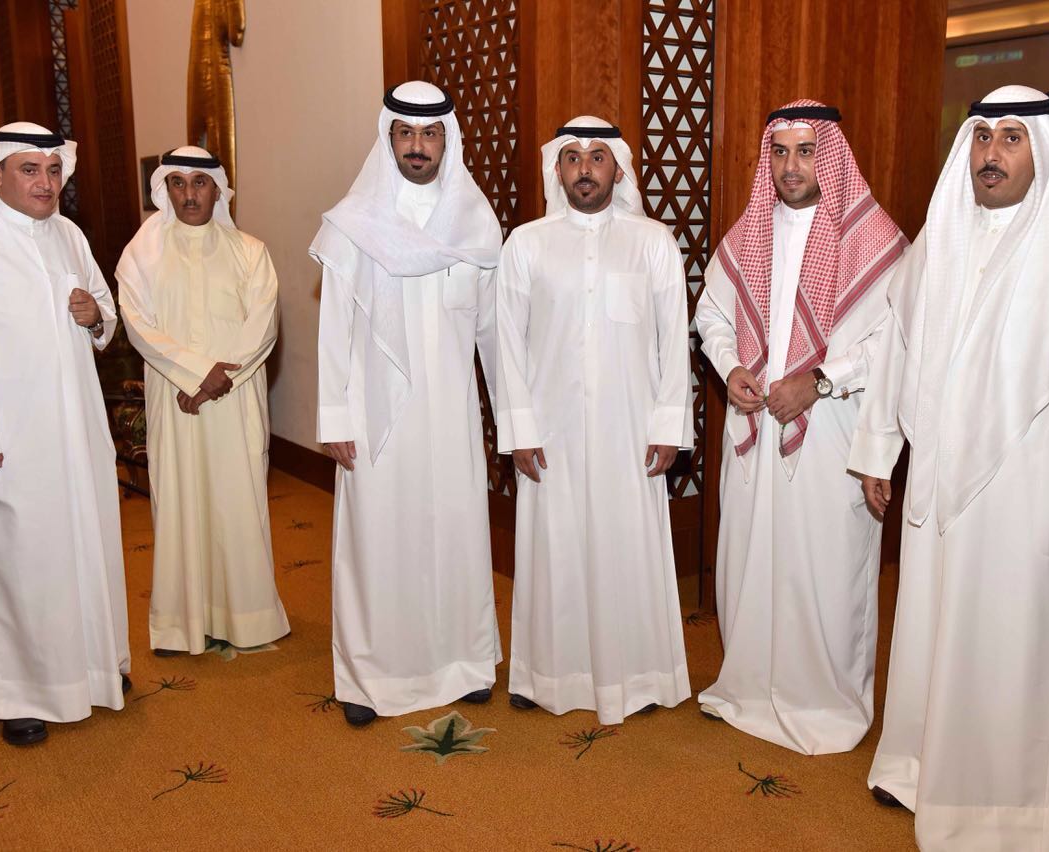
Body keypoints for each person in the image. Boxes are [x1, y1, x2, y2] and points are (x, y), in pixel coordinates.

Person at [850, 86, 1049, 849]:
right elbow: (897, 346)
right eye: (982, 137)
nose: (991, 154)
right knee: (931, 625)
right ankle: (916, 769)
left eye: (1011, 138)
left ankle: (1007, 808)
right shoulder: (942, 233)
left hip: (1031, 489)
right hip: (942, 481)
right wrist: (879, 449)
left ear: (1042, 148)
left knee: (1012, 640)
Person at [694, 101, 906, 753]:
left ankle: (824, 703)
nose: (791, 166)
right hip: (755, 428)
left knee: (824, 565)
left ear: (830, 156)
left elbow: (895, 341)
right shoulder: (749, 233)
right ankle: (749, 689)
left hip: (834, 428)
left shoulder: (874, 239)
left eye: (806, 151)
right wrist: (731, 367)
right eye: (780, 152)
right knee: (752, 558)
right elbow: (710, 315)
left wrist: (820, 380)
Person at [0, 123, 131, 746]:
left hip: (74, 427)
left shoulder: (68, 234)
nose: (46, 183)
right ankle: (15, 694)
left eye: (53, 170)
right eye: (29, 170)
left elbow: (104, 308)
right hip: (3, 434)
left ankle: (92, 669)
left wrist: (97, 317)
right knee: (14, 556)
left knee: (81, 543)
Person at [310, 81, 501, 727]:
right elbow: (334, 328)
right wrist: (335, 415)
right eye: (406, 133)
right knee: (378, 541)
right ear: (388, 138)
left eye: (430, 134)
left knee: (454, 535)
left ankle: (463, 664)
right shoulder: (355, 223)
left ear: (448, 140)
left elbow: (493, 333)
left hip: (450, 415)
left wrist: (512, 420)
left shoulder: (476, 223)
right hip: (375, 414)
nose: (418, 146)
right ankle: (370, 679)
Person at [495, 116, 692, 724]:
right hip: (549, 430)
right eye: (573, 157)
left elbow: (673, 343)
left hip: (629, 430)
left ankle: (639, 676)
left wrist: (668, 426)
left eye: (598, 156)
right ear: (557, 168)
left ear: (618, 169)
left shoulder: (652, 242)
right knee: (553, 547)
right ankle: (545, 675)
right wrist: (520, 429)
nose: (585, 168)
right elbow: (507, 345)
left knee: (625, 545)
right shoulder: (525, 244)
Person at [117, 146, 289, 656]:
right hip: (173, 396)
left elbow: (263, 324)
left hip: (234, 396)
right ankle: (180, 623)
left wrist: (213, 381)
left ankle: (249, 618)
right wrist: (194, 374)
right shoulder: (141, 254)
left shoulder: (250, 251)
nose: (189, 195)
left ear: (219, 190)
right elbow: (138, 324)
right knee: (178, 502)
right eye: (178, 183)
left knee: (237, 499)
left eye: (200, 183)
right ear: (164, 190)